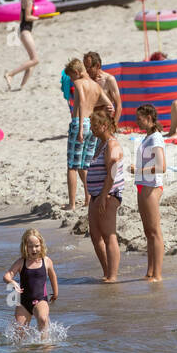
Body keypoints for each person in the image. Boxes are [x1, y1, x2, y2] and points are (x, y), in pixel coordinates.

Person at [65, 58, 111, 209]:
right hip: (91, 125)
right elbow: (107, 103)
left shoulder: (79, 83)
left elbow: (82, 102)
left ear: (77, 73)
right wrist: (109, 109)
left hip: (80, 124)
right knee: (84, 166)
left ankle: (71, 204)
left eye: (71, 77)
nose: (72, 80)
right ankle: (88, 198)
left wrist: (79, 130)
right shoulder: (95, 85)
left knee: (72, 166)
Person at [86, 111, 126, 283]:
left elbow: (112, 172)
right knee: (95, 235)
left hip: (108, 195)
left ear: (104, 126)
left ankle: (113, 275)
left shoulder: (111, 144)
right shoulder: (100, 143)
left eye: (95, 126)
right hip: (96, 194)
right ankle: (106, 271)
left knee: (109, 234)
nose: (92, 130)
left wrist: (103, 196)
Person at [4, 228, 58, 337]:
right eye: (30, 246)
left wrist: (55, 292)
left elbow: (53, 276)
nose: (34, 249)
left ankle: (45, 347)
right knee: (19, 333)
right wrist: (12, 282)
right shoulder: (21, 262)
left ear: (41, 245)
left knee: (43, 320)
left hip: (41, 300)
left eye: (37, 246)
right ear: (25, 247)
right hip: (23, 303)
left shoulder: (46, 261)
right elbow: (7, 276)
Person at [135, 104, 166, 282]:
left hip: (151, 186)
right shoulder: (147, 137)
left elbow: (162, 167)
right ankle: (150, 271)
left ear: (148, 117)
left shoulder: (155, 138)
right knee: (148, 232)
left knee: (154, 231)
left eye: (139, 119)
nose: (137, 122)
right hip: (142, 185)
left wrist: (139, 170)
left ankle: (158, 275)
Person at [4, 0, 41, 90]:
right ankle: (10, 74)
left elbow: (21, 17)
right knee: (35, 60)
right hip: (25, 31)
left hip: (24, 30)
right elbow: (27, 16)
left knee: (32, 61)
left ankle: (22, 86)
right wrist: (37, 18)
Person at [83, 52, 121, 126]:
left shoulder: (109, 80)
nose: (87, 70)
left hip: (105, 122)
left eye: (89, 67)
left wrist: (114, 125)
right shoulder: (85, 81)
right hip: (91, 121)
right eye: (85, 67)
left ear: (98, 65)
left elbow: (118, 106)